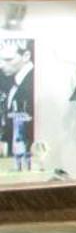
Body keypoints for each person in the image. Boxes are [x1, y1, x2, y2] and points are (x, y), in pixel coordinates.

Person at [1, 41, 34, 171]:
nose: (1, 64)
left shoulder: (32, 84)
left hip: (25, 155)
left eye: (8, 59)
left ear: (26, 56)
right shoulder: (13, 80)